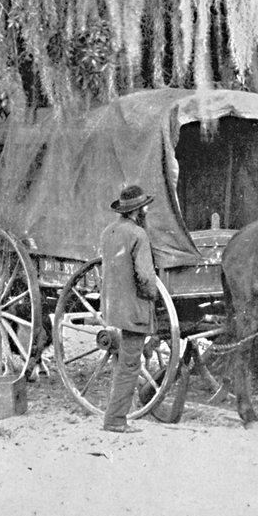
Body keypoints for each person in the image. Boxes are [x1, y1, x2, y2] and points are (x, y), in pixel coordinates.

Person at [99, 183, 160, 434]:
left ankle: (115, 416)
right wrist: (153, 296)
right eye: (145, 207)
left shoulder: (108, 231)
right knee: (129, 365)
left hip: (113, 306)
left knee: (125, 363)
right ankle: (115, 420)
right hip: (134, 310)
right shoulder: (138, 235)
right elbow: (145, 276)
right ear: (140, 210)